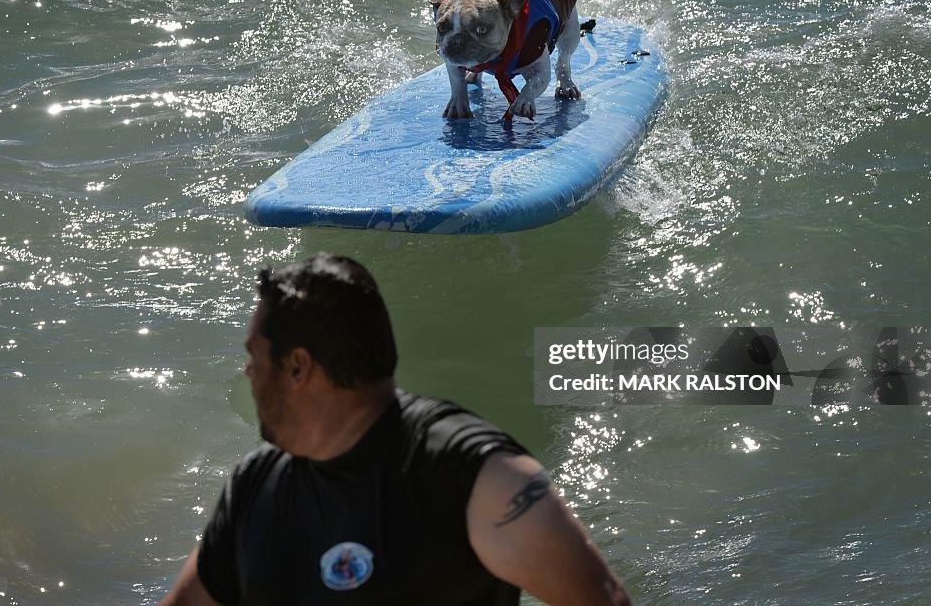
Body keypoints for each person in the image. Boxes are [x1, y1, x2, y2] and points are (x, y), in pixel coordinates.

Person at [158, 253, 631, 606]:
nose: (247, 374)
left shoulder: (470, 473)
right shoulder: (255, 486)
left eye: (254, 358)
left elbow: (601, 600)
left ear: (298, 367)